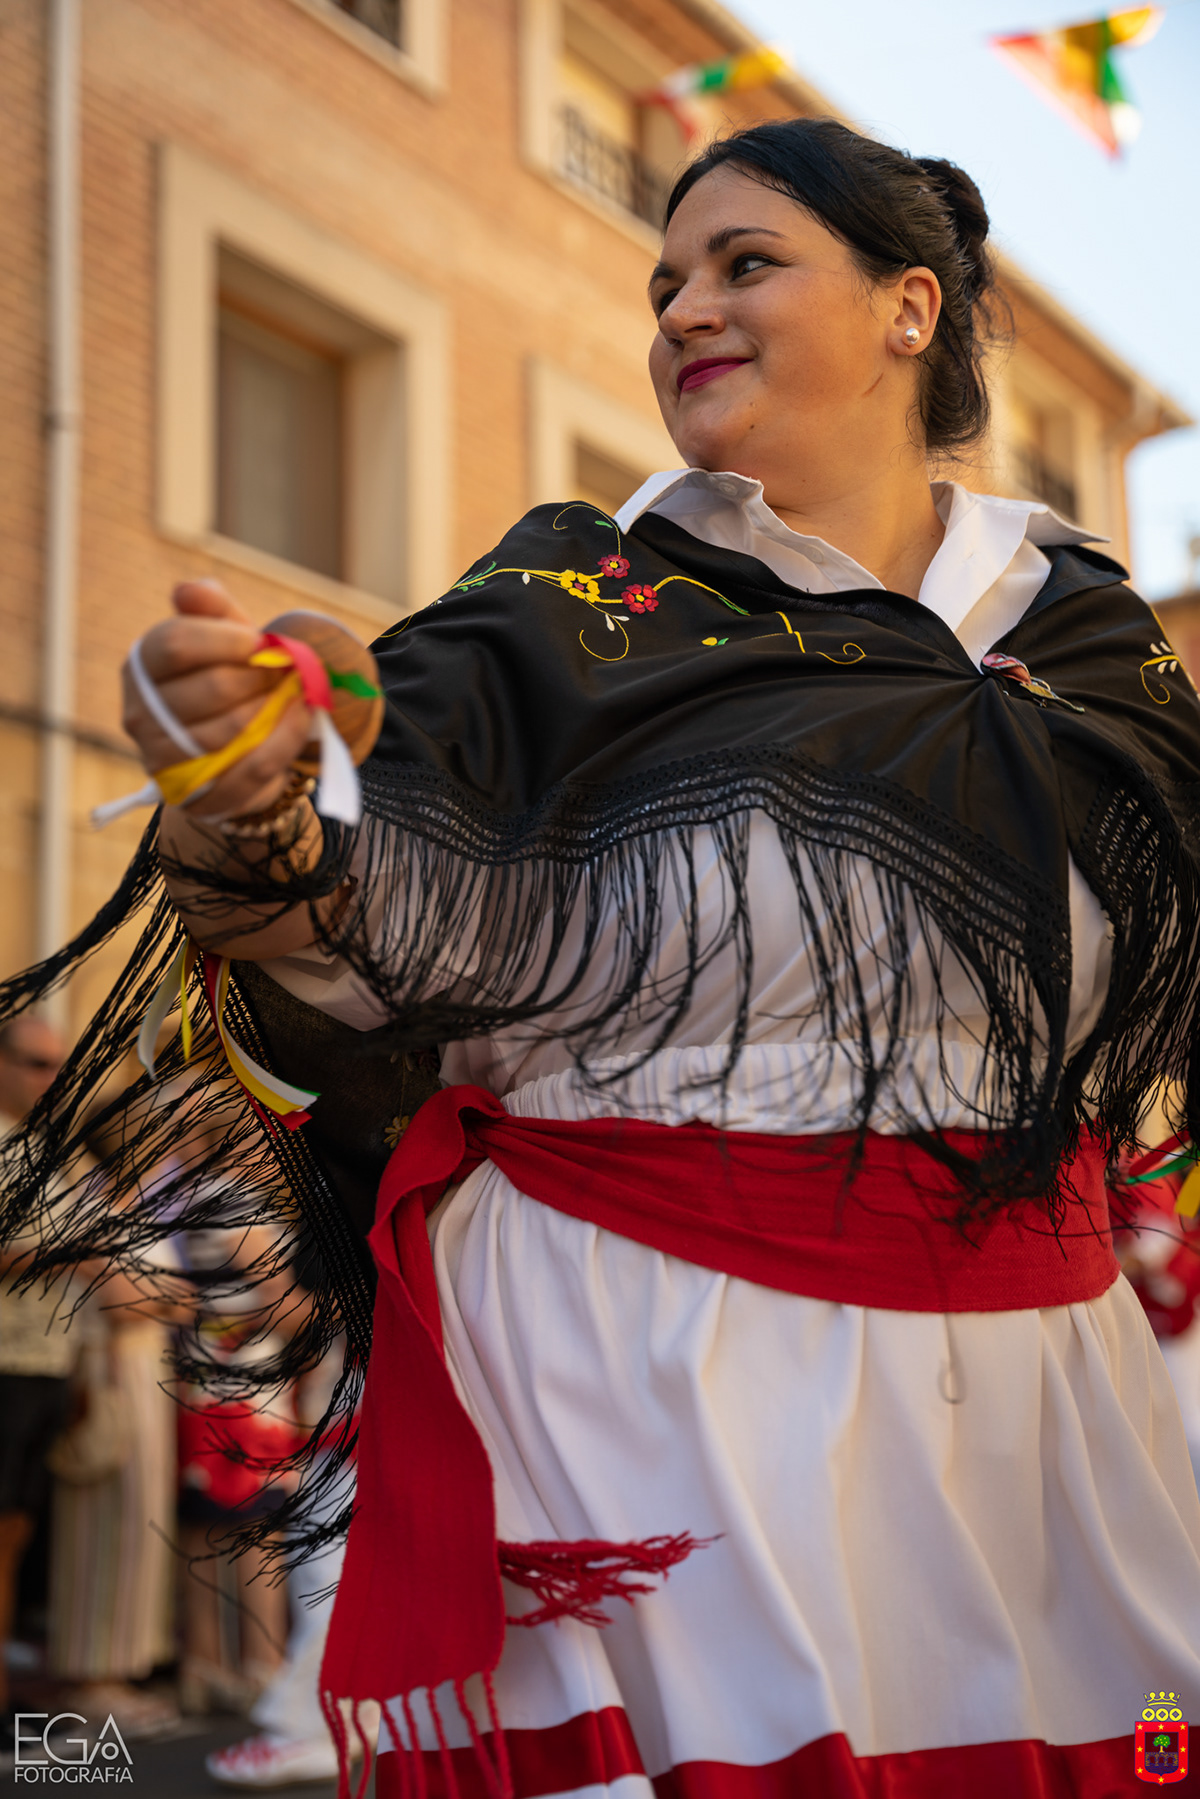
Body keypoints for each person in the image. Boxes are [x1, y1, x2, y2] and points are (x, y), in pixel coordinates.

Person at [20, 116, 1200, 1795]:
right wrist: (246, 795)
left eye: (743, 263)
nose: (685, 310)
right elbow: (329, 933)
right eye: (665, 285)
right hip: (643, 1362)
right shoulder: (566, 608)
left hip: (1034, 1381)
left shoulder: (1085, 630)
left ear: (909, 306)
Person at [0, 1017, 72, 1758]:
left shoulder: (42, 1147)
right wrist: (67, 1250)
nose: (50, 1079)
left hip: (44, 1363)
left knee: (16, 1537)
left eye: (59, 1065)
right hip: (8, 1362)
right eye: (35, 1063)